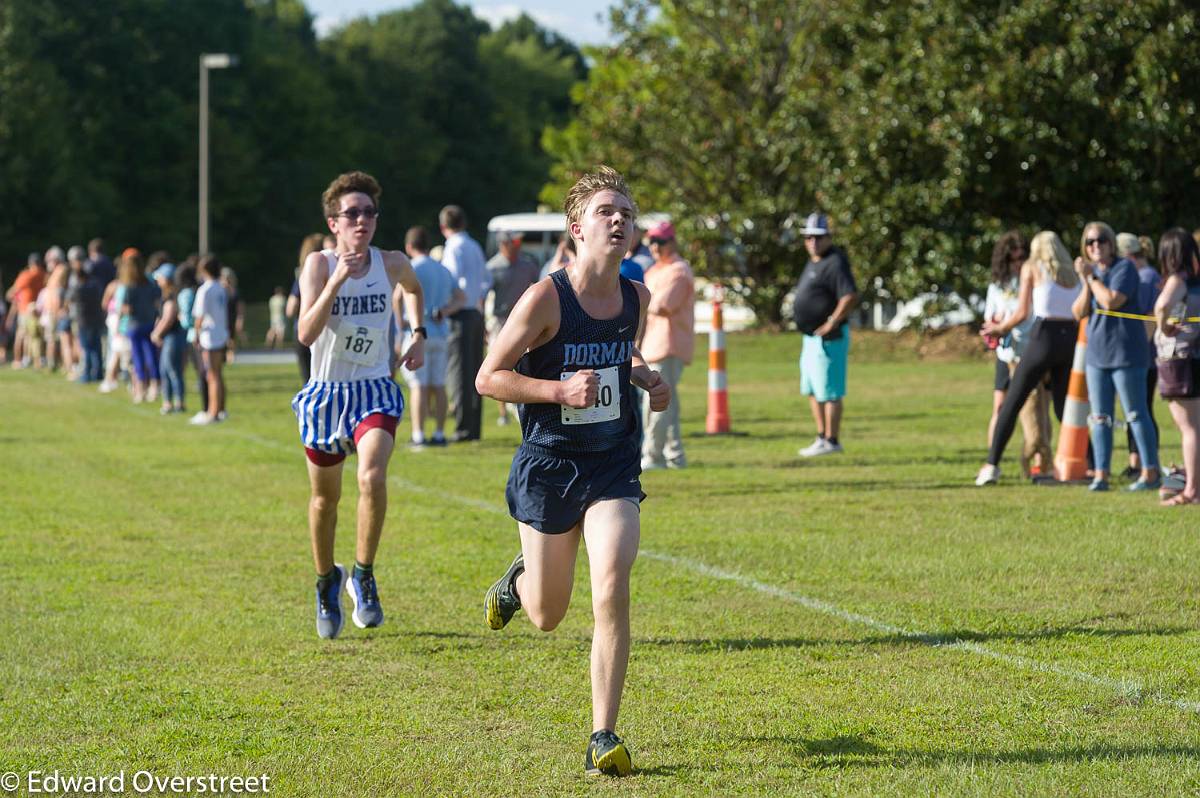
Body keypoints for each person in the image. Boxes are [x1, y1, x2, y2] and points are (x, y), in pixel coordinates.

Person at [477, 166, 669, 777]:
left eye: (627, 213)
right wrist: (558, 390)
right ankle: (519, 580)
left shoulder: (636, 295)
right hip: (550, 464)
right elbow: (489, 377)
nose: (620, 220)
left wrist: (640, 374)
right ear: (577, 228)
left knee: (612, 580)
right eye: (607, 211)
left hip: (612, 463)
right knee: (546, 614)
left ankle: (603, 734)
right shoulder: (544, 298)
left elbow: (622, 349)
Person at [292, 171, 424, 640]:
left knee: (371, 475)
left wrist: (418, 334)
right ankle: (329, 581)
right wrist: (337, 282)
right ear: (334, 223)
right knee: (325, 500)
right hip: (327, 393)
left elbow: (413, 288)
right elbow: (306, 334)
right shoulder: (319, 266)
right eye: (352, 213)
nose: (362, 220)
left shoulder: (390, 263)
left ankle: (365, 575)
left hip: (373, 389)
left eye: (369, 212)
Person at [975, 232, 1080, 485]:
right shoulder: (1072, 273)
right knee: (1065, 407)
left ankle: (991, 465)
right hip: (1070, 340)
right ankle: (1084, 463)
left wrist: (1000, 329)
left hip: (1044, 337)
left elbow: (1023, 312)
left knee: (1012, 402)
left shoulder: (1032, 268)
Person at [1071, 221, 1159, 492]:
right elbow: (1078, 312)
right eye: (1089, 242)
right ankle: (1101, 474)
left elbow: (1111, 301)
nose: (1095, 246)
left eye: (1100, 240)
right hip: (1098, 355)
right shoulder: (1092, 274)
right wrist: (1087, 282)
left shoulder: (1125, 269)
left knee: (1135, 413)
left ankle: (1150, 472)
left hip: (1127, 353)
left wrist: (1092, 279)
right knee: (1100, 417)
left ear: (1111, 243)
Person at [982, 231, 1052, 477]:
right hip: (1006, 353)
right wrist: (995, 325)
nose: (1018, 263)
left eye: (1022, 257)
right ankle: (993, 459)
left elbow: (1032, 315)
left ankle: (1039, 462)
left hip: (1032, 351)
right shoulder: (998, 285)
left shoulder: (1036, 280)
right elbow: (989, 315)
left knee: (1038, 408)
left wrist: (1007, 324)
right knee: (1001, 407)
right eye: (1013, 259)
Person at [793, 212, 859, 456]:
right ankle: (821, 436)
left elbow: (849, 295)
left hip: (829, 339)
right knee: (812, 390)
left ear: (829, 237)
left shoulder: (835, 261)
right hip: (810, 338)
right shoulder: (814, 260)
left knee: (829, 391)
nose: (813, 242)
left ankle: (832, 440)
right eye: (808, 237)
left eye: (818, 237)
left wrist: (832, 321)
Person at [639, 220, 695, 470]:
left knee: (656, 402)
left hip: (669, 345)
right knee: (668, 404)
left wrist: (637, 301)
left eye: (659, 242)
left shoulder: (679, 270)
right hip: (653, 343)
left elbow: (663, 305)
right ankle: (675, 456)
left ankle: (653, 456)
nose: (654, 246)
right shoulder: (655, 271)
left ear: (671, 242)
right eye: (651, 241)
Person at [402, 225, 462, 447]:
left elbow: (399, 298)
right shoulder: (442, 269)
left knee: (419, 385)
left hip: (417, 332)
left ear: (409, 247)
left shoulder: (411, 267)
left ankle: (418, 434)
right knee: (438, 384)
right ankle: (439, 433)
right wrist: (444, 311)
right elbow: (461, 297)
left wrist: (399, 325)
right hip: (440, 331)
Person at [1153, 228, 1200, 505]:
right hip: (1194, 357)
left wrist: (1164, 326)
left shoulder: (1177, 280)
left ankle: (1192, 491)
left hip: (1179, 358)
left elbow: (1161, 306)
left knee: (1188, 427)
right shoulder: (1196, 282)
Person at [439, 204, 489, 442]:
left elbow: (450, 279)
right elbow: (485, 280)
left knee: (458, 372)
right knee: (475, 371)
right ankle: (474, 427)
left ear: (443, 227)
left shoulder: (453, 247)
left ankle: (462, 427)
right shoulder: (474, 245)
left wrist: (444, 306)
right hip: (476, 312)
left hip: (459, 313)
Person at [1118, 232, 1162, 479]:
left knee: (1140, 409)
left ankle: (1146, 462)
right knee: (1135, 409)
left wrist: (1135, 352)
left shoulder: (1145, 278)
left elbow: (1147, 321)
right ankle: (1136, 462)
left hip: (1143, 357)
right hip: (1142, 356)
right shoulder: (1147, 275)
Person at [486, 230, 541, 425]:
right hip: (501, 320)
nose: (517, 247)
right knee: (499, 365)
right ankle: (503, 413)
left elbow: (539, 284)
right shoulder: (493, 267)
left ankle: (523, 406)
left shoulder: (527, 265)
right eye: (513, 243)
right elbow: (484, 295)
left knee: (525, 362)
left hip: (525, 321)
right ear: (503, 245)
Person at [114, 249, 162, 404]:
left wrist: (118, 321)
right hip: (149, 323)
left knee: (138, 358)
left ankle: (140, 390)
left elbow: (126, 309)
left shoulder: (129, 286)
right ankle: (154, 387)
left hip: (134, 325)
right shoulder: (150, 283)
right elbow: (157, 303)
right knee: (151, 357)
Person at [190, 255, 229, 425]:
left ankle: (212, 412)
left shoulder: (204, 289)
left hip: (209, 336)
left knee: (211, 375)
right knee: (218, 374)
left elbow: (199, 316)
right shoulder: (221, 287)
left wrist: (196, 334)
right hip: (220, 333)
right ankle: (220, 409)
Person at [151, 262, 187, 414]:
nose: (157, 280)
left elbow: (168, 317)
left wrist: (157, 333)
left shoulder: (171, 296)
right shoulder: (167, 295)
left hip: (173, 337)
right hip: (171, 338)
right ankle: (171, 402)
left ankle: (176, 403)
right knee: (167, 370)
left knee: (171, 370)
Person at [289, 234, 325, 384]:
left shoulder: (305, 276)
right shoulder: (334, 274)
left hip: (305, 331)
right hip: (328, 332)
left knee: (310, 382)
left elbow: (290, 309)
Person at [67, 245, 104, 382]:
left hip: (83, 320)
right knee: (96, 347)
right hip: (95, 318)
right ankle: (98, 373)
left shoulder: (78, 288)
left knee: (87, 348)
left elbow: (70, 299)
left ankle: (87, 374)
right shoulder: (95, 284)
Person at [6, 252, 47, 368]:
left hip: (25, 310)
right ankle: (34, 360)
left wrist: (18, 299)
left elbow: (10, 294)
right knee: (36, 338)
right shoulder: (44, 275)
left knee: (21, 336)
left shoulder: (26, 275)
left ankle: (18, 360)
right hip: (39, 311)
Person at [220, 267, 245, 362]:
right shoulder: (219, 291)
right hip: (221, 319)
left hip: (231, 319)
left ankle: (230, 359)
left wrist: (240, 320)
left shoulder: (235, 292)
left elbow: (240, 308)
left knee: (231, 340)